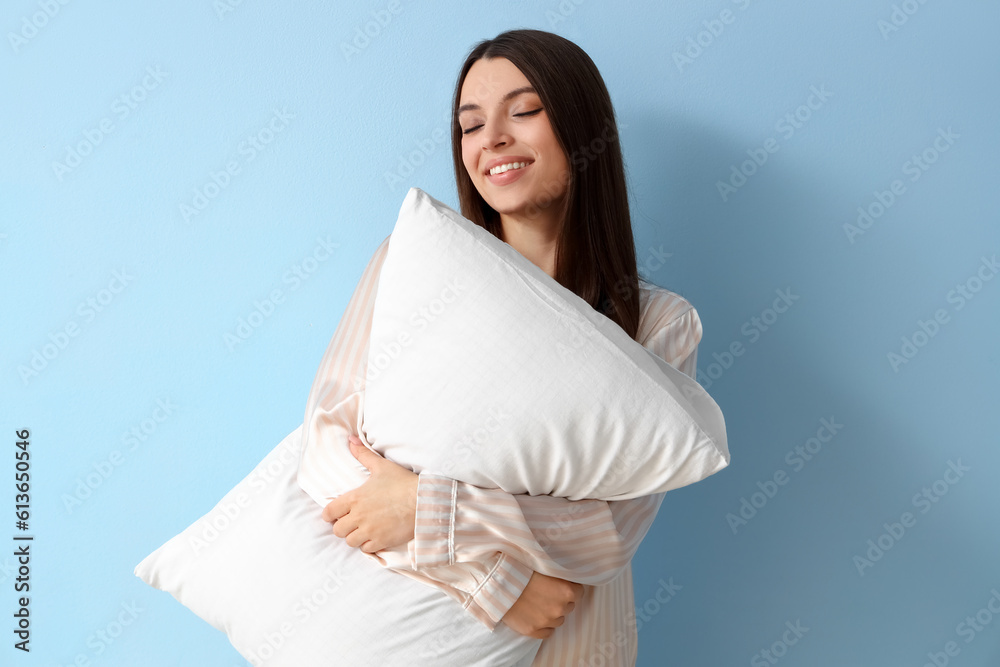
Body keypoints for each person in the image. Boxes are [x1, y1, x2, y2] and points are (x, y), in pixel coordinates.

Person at [303, 29, 705, 666]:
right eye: (469, 125)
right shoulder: (408, 268)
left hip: (570, 645)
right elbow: (329, 452)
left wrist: (420, 505)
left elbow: (602, 536)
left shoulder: (657, 324)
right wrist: (496, 582)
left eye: (524, 112)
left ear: (582, 126)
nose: (491, 140)